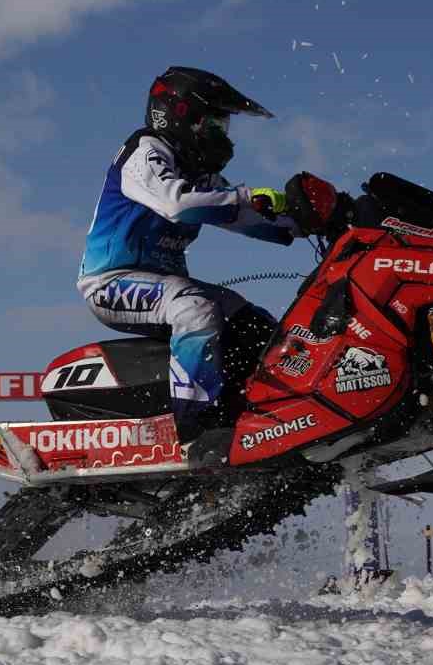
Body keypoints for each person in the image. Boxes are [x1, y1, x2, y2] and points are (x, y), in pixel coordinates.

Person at [77, 66, 302, 440]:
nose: (222, 136)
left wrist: (305, 224)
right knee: (194, 308)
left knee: (249, 319)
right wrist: (247, 197)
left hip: (165, 284)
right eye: (215, 124)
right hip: (111, 282)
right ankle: (196, 427)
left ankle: (267, 410)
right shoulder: (145, 151)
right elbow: (177, 205)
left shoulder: (200, 174)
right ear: (183, 115)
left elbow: (242, 217)